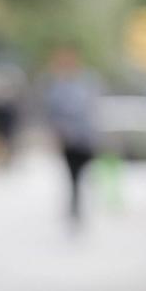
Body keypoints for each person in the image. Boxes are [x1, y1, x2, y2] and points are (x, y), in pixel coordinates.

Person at [41, 46, 102, 227]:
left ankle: (78, 205)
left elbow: (93, 109)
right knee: (71, 175)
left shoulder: (88, 80)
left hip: (85, 137)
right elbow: (52, 112)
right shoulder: (57, 85)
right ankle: (74, 207)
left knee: (83, 173)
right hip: (67, 138)